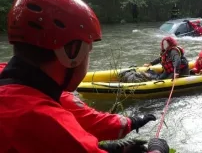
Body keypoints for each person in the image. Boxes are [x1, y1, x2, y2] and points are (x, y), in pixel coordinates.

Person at [0, 0, 169, 153]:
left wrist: (129, 123)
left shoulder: (29, 86)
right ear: (71, 52)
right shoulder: (45, 119)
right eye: (88, 52)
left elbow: (88, 120)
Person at [0, 60, 156, 141]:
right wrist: (134, 122)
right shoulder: (56, 103)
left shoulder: (7, 74)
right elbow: (95, 124)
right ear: (71, 55)